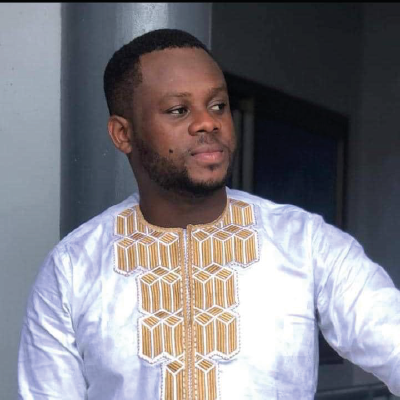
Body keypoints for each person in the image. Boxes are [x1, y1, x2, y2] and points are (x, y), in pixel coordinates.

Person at [18, 28, 400, 400]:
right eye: (179, 110)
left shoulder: (305, 244)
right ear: (123, 134)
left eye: (218, 105)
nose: (208, 122)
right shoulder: (73, 268)